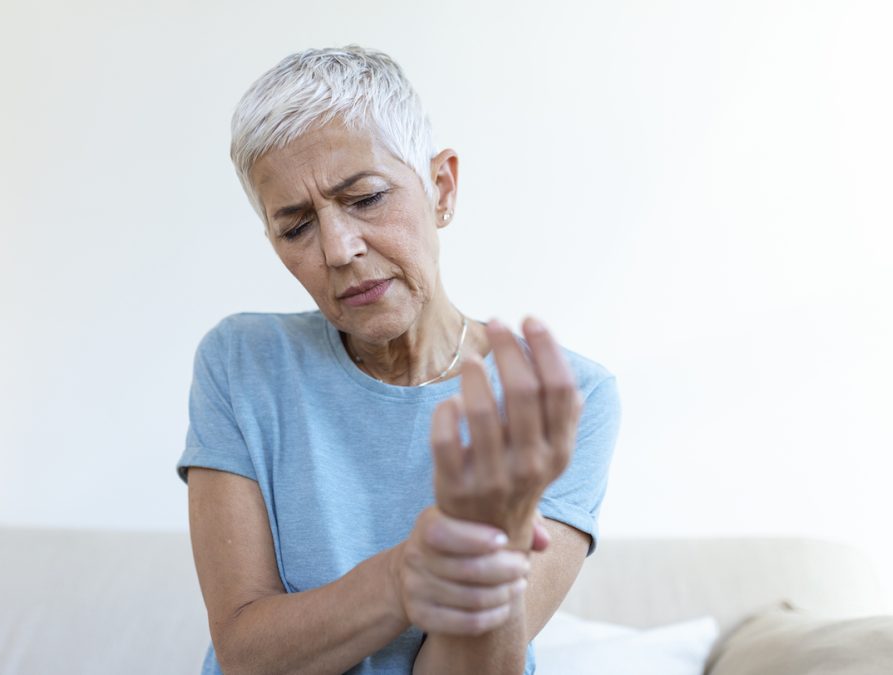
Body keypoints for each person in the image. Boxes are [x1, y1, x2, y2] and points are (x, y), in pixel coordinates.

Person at [175, 45, 621, 675]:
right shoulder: (242, 362)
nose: (338, 248)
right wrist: (407, 575)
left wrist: (495, 542)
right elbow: (246, 654)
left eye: (365, 198)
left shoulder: (568, 396)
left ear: (441, 188)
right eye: (296, 226)